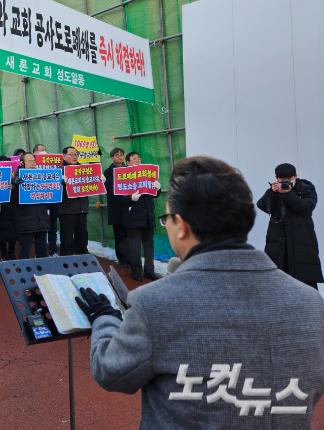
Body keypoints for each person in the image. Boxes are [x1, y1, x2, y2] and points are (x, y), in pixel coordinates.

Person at [76, 156, 324, 429]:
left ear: (181, 226)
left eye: (166, 218)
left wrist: (104, 317)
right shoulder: (311, 303)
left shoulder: (154, 303)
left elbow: (111, 372)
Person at [257, 163, 322, 289]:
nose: (285, 183)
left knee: (305, 282)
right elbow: (262, 206)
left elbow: (306, 208)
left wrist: (288, 194)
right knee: (277, 282)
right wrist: (273, 192)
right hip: (278, 242)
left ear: (295, 176)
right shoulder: (274, 189)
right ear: (276, 177)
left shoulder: (306, 188)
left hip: (302, 242)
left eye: (288, 180)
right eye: (281, 180)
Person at [118, 151, 162, 282]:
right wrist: (130, 198)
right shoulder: (122, 176)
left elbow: (154, 194)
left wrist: (157, 188)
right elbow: (118, 196)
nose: (137, 160)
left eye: (139, 158)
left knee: (149, 246)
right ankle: (136, 271)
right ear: (127, 162)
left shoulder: (147, 173)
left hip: (148, 215)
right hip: (132, 216)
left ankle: (150, 271)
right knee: (134, 247)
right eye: (134, 159)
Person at [11, 152, 50, 259]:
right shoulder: (15, 179)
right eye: (29, 161)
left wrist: (57, 185)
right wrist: (16, 186)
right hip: (25, 221)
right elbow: (12, 200)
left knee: (42, 252)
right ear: (22, 163)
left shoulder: (41, 176)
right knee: (25, 252)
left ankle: (43, 273)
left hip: (41, 219)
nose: (32, 164)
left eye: (34, 161)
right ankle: (24, 274)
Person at [59, 146, 90, 256]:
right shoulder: (59, 170)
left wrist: (98, 179)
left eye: (76, 154)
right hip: (67, 210)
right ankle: (65, 264)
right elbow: (53, 190)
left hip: (82, 209)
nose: (74, 156)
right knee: (67, 240)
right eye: (71, 154)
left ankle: (82, 263)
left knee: (82, 239)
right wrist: (60, 183)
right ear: (64, 156)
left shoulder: (84, 170)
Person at [104, 148, 130, 267]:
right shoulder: (108, 172)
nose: (120, 157)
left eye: (122, 154)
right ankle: (122, 259)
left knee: (129, 235)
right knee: (119, 236)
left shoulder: (130, 169)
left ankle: (130, 258)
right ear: (112, 158)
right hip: (117, 209)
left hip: (130, 209)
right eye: (117, 155)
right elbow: (110, 189)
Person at [0, 156, 17, 261]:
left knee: (13, 232)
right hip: (1, 208)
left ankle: (11, 252)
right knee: (1, 232)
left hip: (12, 208)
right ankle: (4, 253)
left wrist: (14, 187)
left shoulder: (14, 178)